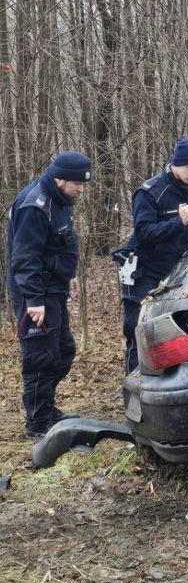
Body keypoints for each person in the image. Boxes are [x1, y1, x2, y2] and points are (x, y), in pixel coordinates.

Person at [6, 151, 93, 439]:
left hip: (54, 289)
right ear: (60, 178)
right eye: (77, 183)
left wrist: (69, 275)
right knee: (40, 357)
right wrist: (34, 301)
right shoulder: (35, 205)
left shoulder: (60, 199)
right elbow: (24, 257)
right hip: (36, 294)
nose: (81, 189)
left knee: (64, 350)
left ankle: (45, 407)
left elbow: (59, 244)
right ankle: (38, 423)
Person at [120, 138, 188, 373]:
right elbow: (144, 233)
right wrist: (178, 222)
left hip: (174, 272)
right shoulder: (149, 192)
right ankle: (136, 389)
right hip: (141, 271)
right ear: (176, 164)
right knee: (139, 330)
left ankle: (166, 385)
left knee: (173, 329)